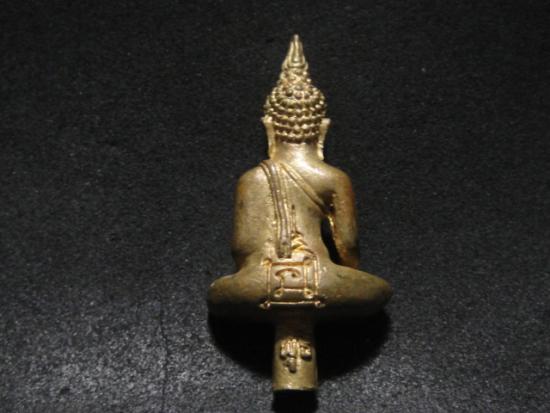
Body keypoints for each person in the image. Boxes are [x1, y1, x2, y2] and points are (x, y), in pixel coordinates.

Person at [208, 35, 391, 320]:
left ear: (269, 128)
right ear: (322, 130)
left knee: (224, 288)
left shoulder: (251, 179)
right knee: (373, 288)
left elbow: (241, 248)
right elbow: (348, 247)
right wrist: (343, 271)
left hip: (261, 284)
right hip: (319, 279)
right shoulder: (333, 178)